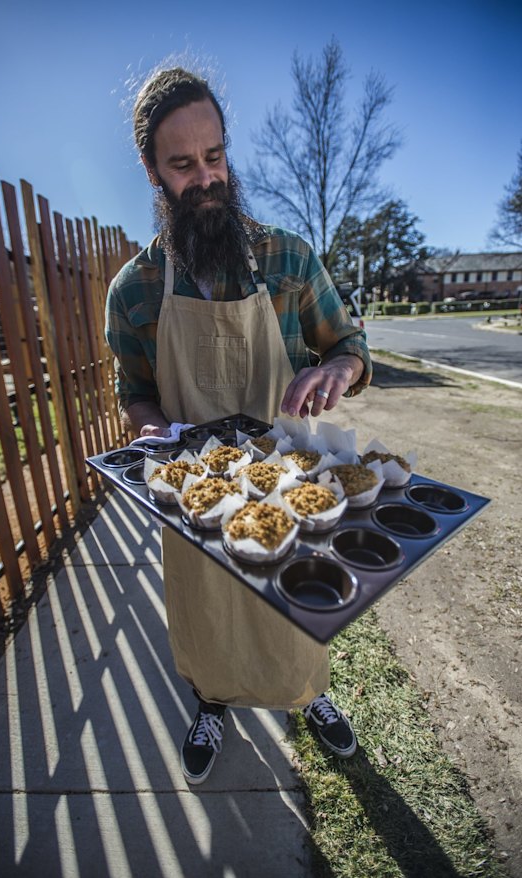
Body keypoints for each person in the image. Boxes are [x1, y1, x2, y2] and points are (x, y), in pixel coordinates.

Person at [105, 66, 373, 785]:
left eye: (215, 156)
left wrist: (337, 371)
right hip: (195, 497)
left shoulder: (288, 260)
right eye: (183, 165)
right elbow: (133, 389)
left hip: (287, 481)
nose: (206, 179)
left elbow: (349, 346)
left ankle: (307, 697)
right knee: (209, 616)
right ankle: (212, 702)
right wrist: (152, 428)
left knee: (292, 613)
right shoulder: (133, 290)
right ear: (152, 172)